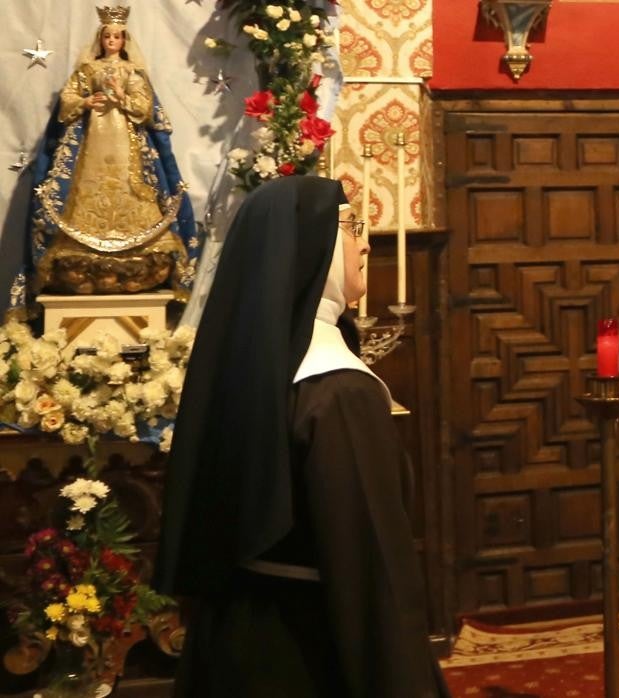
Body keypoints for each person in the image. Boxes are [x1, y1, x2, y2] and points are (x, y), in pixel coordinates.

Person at [154, 176, 448, 697]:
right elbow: (372, 571)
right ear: (309, 245)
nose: (365, 243)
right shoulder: (337, 394)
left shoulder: (239, 374)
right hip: (311, 653)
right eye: (353, 225)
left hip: (230, 651)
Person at [23, 5, 198, 303]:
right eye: (108, 36)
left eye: (118, 37)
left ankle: (135, 242)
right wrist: (87, 101)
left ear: (124, 40)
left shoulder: (133, 73)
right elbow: (68, 99)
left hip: (125, 142)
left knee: (135, 187)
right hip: (93, 139)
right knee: (86, 185)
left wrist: (122, 97)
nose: (112, 41)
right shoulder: (89, 70)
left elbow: (144, 108)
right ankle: (83, 242)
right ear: (101, 38)